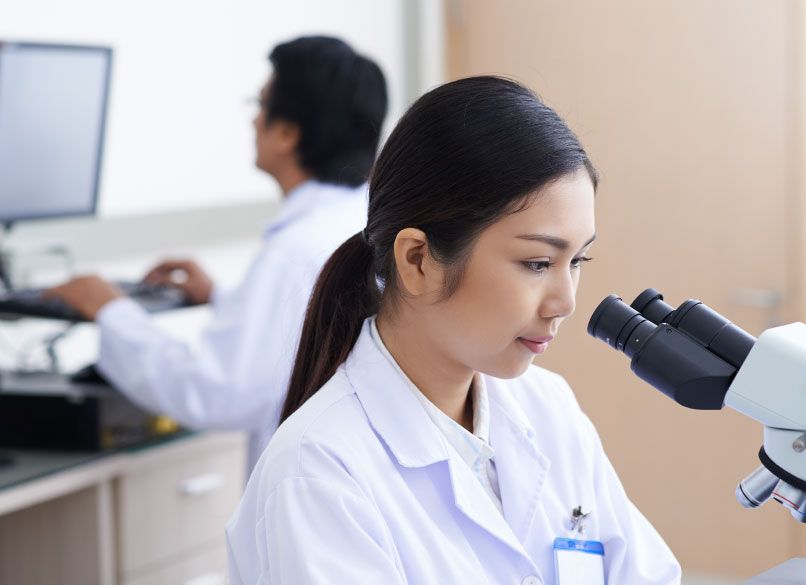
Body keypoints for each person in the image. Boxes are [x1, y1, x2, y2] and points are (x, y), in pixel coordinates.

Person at [226, 76, 682, 584]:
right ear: (418, 260)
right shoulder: (320, 472)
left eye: (577, 260)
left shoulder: (548, 407)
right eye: (536, 263)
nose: (565, 302)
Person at [47, 36, 388, 471]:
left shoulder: (295, 252)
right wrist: (224, 298)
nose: (253, 122)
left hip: (315, 484)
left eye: (260, 106)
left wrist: (111, 309)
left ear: (285, 133)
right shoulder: (361, 222)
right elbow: (307, 328)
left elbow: (217, 392)